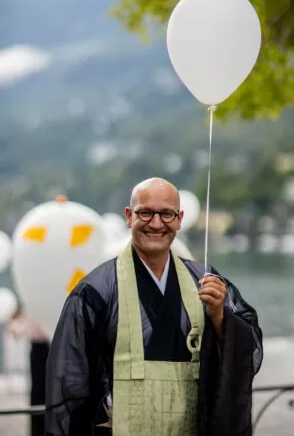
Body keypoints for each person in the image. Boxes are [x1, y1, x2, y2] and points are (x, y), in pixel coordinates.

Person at [45, 178, 263, 436]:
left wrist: (219, 318)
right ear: (129, 216)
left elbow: (248, 342)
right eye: (146, 213)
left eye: (167, 214)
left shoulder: (205, 281)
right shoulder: (97, 290)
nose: (157, 223)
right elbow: (71, 380)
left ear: (180, 219)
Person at [7, 306, 50, 436]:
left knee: (45, 390)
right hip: (38, 348)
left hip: (47, 347)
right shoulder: (31, 310)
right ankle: (38, 429)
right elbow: (16, 330)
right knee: (38, 390)